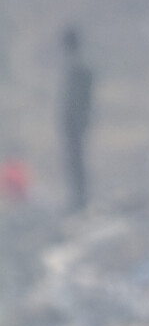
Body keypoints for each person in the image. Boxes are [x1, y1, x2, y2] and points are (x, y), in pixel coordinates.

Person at [58, 26, 93, 214]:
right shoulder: (75, 66)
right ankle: (78, 199)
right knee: (73, 162)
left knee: (77, 163)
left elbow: (80, 100)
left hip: (76, 125)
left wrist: (79, 121)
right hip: (73, 124)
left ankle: (81, 200)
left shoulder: (79, 68)